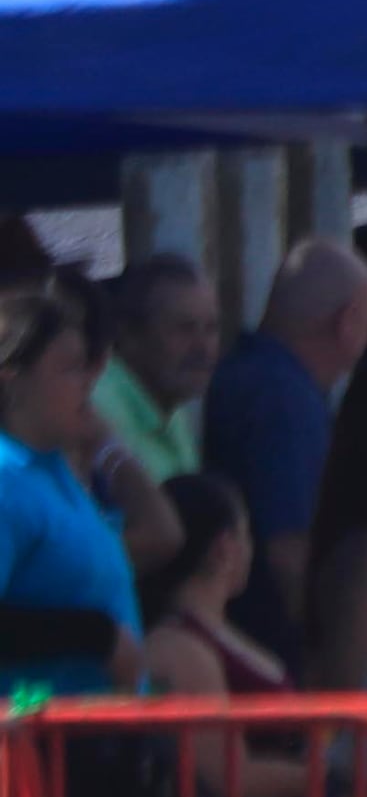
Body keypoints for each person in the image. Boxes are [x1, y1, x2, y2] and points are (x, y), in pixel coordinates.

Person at [204, 236, 367, 609]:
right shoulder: (285, 399)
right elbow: (290, 552)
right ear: (347, 322)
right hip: (272, 640)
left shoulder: (247, 374)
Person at [0, 284, 151, 695]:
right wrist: (96, 636)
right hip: (38, 745)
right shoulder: (6, 479)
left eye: (89, 367)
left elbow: (163, 531)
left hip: (103, 740)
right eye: (70, 369)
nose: (90, 383)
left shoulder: (58, 474)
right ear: (12, 380)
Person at [92, 255, 216, 492]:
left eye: (211, 328)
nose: (203, 347)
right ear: (129, 336)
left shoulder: (170, 405)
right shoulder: (100, 407)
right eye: (184, 329)